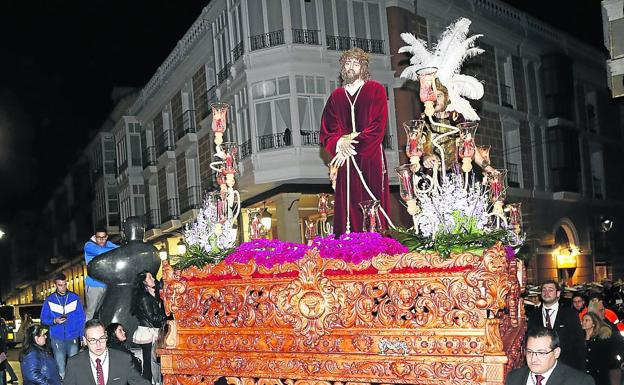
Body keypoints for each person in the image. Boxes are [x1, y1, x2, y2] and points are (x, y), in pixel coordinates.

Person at [320, 47, 390, 236]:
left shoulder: (376, 90)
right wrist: (338, 144)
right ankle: (348, 246)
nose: (351, 67)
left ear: (363, 67)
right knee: (347, 203)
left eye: (356, 63)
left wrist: (350, 144)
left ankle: (375, 243)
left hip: (370, 155)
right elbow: (327, 130)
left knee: (371, 198)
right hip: (345, 160)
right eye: (347, 63)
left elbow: (378, 126)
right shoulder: (336, 97)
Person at [63, 319, 149, 385]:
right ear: (85, 341)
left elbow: (140, 383)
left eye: (101, 338)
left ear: (106, 336)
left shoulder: (123, 359)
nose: (98, 344)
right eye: (93, 340)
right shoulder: (74, 363)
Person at [527, 280, 586, 370]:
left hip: (566, 366)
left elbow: (579, 344)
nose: (546, 293)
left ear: (558, 293)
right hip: (540, 366)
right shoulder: (533, 315)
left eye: (550, 290)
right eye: (544, 290)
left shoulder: (570, 314)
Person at [505, 326, 595, 385]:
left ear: (556, 352)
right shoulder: (513, 378)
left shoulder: (579, 382)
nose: (533, 358)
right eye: (529, 352)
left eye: (541, 353)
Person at [40, 272, 86, 379]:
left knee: (74, 366)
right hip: (57, 338)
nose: (63, 287)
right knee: (60, 367)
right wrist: (54, 320)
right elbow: (43, 319)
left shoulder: (74, 298)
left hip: (73, 336)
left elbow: (81, 319)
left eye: (65, 284)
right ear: (55, 285)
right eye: (60, 285)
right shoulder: (49, 300)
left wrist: (82, 335)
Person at [131, 271, 166, 384]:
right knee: (149, 365)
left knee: (153, 363)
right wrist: (165, 315)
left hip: (152, 332)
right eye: (150, 277)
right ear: (144, 282)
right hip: (148, 333)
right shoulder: (144, 298)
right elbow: (153, 319)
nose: (153, 279)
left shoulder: (151, 295)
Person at [587, 298, 624, 385]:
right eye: (601, 310)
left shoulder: (610, 326)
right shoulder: (585, 326)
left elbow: (619, 344)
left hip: (609, 368)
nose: (604, 312)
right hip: (591, 370)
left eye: (603, 309)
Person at [84, 228, 118, 320]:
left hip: (106, 284)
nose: (101, 240)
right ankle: (84, 333)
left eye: (104, 237)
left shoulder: (109, 244)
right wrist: (113, 250)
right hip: (93, 284)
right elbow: (100, 251)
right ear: (95, 237)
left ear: (107, 237)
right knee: (90, 312)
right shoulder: (88, 245)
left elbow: (120, 249)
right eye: (99, 237)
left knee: (102, 312)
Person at [582, 311, 613, 385]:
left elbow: (605, 359)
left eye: (587, 320)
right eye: (583, 320)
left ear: (593, 324)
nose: (583, 322)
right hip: (583, 375)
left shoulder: (601, 340)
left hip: (598, 377)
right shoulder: (579, 338)